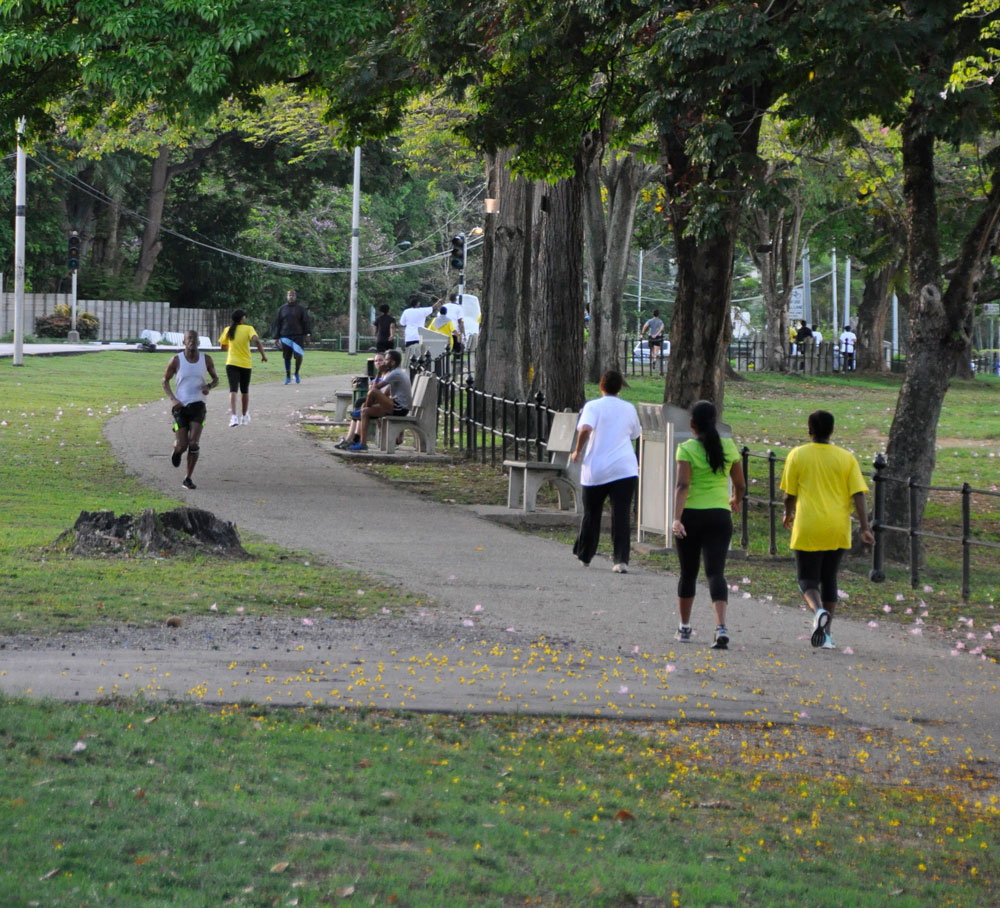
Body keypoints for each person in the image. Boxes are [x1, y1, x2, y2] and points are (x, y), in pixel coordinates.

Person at [780, 409, 874, 650]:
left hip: (808, 525)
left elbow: (789, 495)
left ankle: (818, 611)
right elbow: (859, 495)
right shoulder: (846, 458)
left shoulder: (797, 455)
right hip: (837, 527)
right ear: (832, 431)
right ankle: (827, 634)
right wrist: (865, 527)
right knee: (829, 577)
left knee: (807, 580)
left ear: (809, 430)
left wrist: (788, 513)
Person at [671, 401, 746, 648]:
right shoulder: (728, 447)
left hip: (692, 516)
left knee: (688, 573)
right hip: (719, 517)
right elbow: (740, 484)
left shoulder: (686, 449)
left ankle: (684, 627)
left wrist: (676, 518)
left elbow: (682, 486)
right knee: (716, 573)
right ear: (714, 422)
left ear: (692, 424)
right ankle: (721, 627)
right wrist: (735, 499)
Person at [570, 369, 642, 573]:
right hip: (625, 468)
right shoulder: (629, 408)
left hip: (597, 468)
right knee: (621, 515)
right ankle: (620, 560)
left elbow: (585, 429)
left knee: (592, 512)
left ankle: (585, 554)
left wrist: (577, 451)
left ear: (601, 386)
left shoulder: (592, 406)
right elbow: (635, 434)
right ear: (620, 388)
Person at [162, 330, 219, 490]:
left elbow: (216, 379)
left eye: (195, 339)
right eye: (189, 338)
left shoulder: (206, 359)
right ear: (184, 342)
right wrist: (173, 399)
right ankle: (177, 450)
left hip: (198, 405)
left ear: (199, 342)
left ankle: (188, 478)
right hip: (180, 406)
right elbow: (165, 380)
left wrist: (209, 386)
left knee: (193, 443)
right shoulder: (176, 360)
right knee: (183, 445)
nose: (192, 341)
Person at [348, 349, 412, 452]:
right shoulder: (395, 373)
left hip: (400, 408)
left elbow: (375, 389)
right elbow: (384, 392)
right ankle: (363, 444)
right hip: (395, 405)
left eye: (386, 360)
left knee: (372, 393)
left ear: (393, 362)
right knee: (365, 412)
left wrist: (378, 373)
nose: (384, 362)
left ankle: (361, 411)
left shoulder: (396, 373)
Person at [218, 309, 268, 427]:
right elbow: (257, 341)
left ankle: (234, 417)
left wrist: (232, 348)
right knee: (244, 390)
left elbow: (223, 346)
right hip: (245, 364)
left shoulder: (228, 329)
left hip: (231, 363)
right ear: (242, 319)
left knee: (233, 389)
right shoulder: (249, 329)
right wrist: (263, 355)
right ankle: (244, 417)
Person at [336, 352, 390, 448]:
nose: (378, 362)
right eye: (376, 361)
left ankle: (352, 439)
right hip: (378, 401)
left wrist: (373, 385)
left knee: (361, 404)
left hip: (384, 403)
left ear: (386, 361)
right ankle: (353, 438)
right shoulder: (380, 374)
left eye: (380, 360)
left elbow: (383, 392)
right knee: (360, 403)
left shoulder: (387, 374)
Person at [273, 289, 312, 384]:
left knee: (299, 355)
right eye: (289, 295)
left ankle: (296, 373)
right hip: (285, 336)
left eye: (293, 295)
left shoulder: (301, 309)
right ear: (287, 297)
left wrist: (308, 334)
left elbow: (306, 322)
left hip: (298, 336)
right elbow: (278, 323)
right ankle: (287, 376)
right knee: (287, 357)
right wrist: (276, 337)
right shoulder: (282, 309)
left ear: (295, 297)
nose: (291, 297)